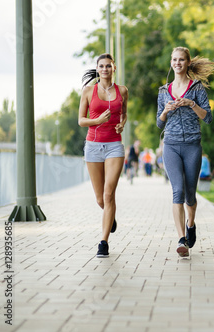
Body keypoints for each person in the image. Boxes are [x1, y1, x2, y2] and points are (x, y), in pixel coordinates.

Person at [157, 46, 214, 257]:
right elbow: (158, 123)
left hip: (192, 145)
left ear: (187, 63)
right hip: (171, 145)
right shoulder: (164, 91)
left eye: (181, 60)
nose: (177, 63)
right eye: (174, 59)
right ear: (171, 62)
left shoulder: (197, 88)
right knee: (178, 191)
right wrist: (165, 110)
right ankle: (181, 239)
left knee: (190, 195)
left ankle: (191, 224)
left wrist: (191, 104)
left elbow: (207, 117)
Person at [78, 53, 128, 258]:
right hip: (93, 146)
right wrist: (97, 121)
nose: (105, 69)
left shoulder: (122, 91)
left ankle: (103, 242)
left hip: (114, 146)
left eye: (109, 66)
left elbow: (124, 113)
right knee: (100, 199)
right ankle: (111, 216)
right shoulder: (89, 91)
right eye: (102, 66)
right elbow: (81, 120)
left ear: (114, 68)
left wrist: (122, 124)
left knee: (109, 194)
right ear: (97, 69)